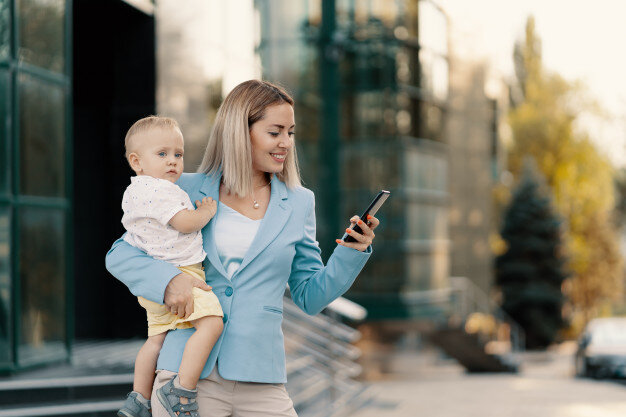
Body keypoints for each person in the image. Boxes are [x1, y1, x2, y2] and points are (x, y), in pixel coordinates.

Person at [106, 80, 381, 417]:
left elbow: (310, 296)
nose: (286, 143)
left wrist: (352, 251)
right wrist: (168, 282)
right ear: (241, 131)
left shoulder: (298, 202)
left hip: (261, 376)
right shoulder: (184, 188)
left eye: (290, 133)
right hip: (186, 382)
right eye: (275, 132)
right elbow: (120, 253)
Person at [116, 116, 224, 417]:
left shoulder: (135, 191)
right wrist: (204, 212)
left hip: (153, 286)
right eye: (162, 154)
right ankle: (182, 390)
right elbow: (184, 223)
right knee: (212, 323)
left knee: (155, 341)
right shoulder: (158, 190)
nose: (173, 162)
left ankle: (138, 396)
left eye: (178, 154)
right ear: (136, 161)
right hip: (182, 277)